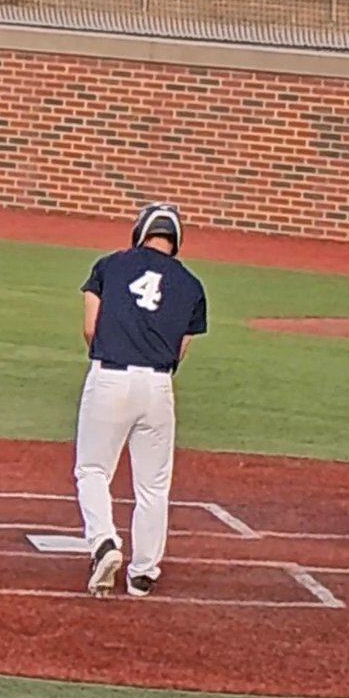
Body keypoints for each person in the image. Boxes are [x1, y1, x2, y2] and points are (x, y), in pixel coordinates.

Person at [76, 203, 209, 598]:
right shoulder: (192, 286)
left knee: (93, 470)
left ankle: (103, 542)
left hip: (110, 376)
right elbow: (181, 349)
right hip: (158, 387)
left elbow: (89, 328)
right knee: (153, 485)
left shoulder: (109, 266)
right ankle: (143, 572)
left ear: (140, 230)